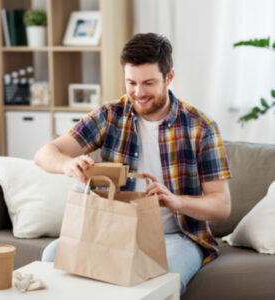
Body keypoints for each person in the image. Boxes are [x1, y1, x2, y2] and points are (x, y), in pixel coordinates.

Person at [34, 32, 231, 295]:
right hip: (111, 231)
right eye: (131, 83)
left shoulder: (200, 127)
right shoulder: (110, 115)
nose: (138, 93)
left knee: (158, 276)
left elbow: (221, 205)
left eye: (148, 83)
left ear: (169, 77)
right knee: (52, 255)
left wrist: (176, 201)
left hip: (176, 238)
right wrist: (67, 165)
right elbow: (45, 153)